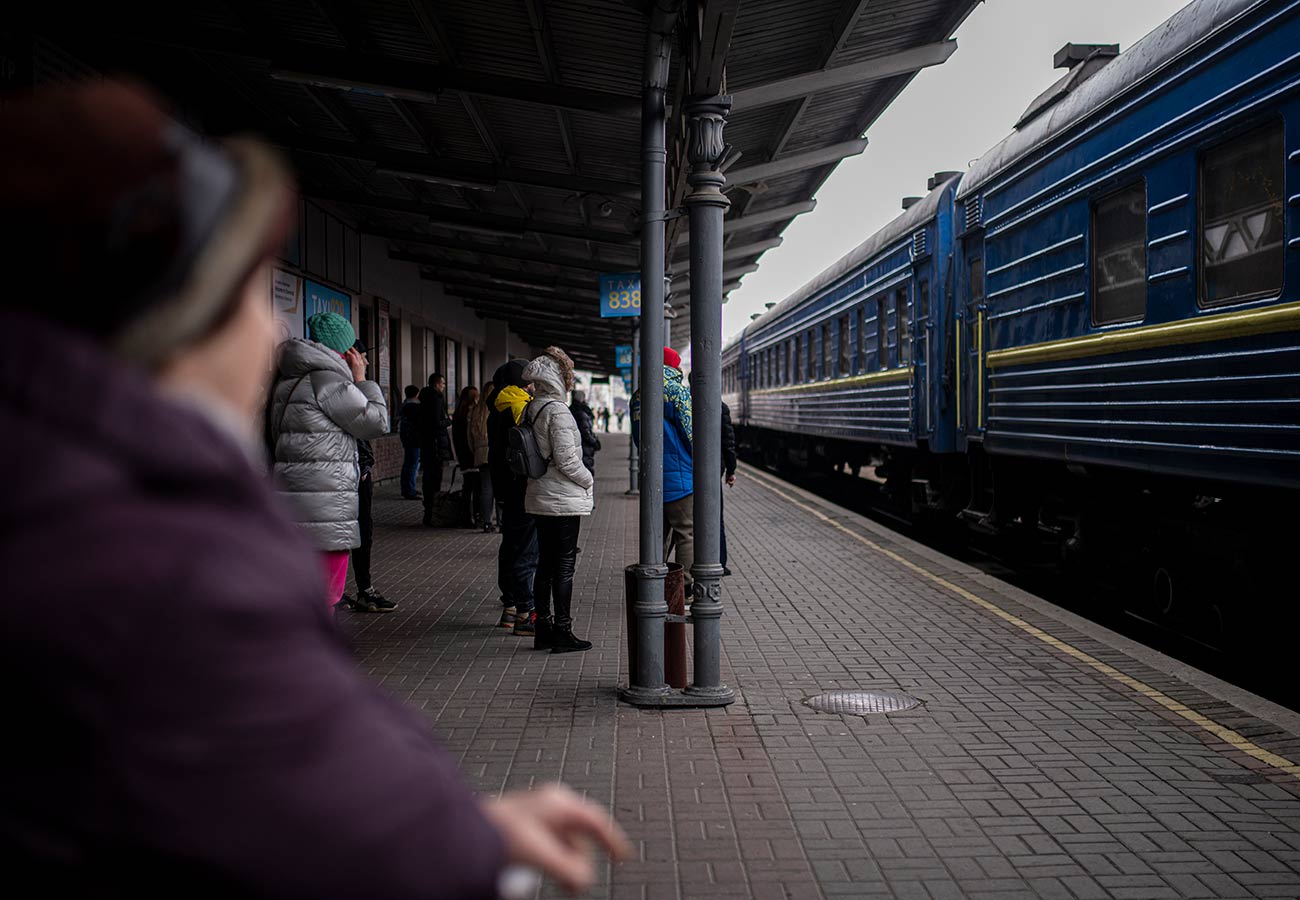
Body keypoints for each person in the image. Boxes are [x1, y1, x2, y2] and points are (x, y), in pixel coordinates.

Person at [1, 81, 626, 897]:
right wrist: (471, 844)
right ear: (177, 317)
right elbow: (342, 818)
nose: (267, 329)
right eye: (244, 295)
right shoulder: (154, 565)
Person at [271, 311, 389, 609]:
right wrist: (362, 380)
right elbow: (376, 422)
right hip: (326, 503)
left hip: (293, 496)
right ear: (346, 351)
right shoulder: (328, 381)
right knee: (325, 594)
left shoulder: (288, 380)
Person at [523, 348, 595, 653]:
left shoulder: (534, 407)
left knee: (545, 565)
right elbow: (566, 459)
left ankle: (543, 628)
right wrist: (589, 479)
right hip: (562, 498)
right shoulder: (558, 411)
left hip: (541, 495)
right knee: (564, 566)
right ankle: (563, 631)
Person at [631, 347, 694, 592]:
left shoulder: (638, 395)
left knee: (658, 535)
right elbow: (691, 434)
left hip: (651, 475)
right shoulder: (677, 391)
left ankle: (653, 585)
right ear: (674, 367)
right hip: (680, 476)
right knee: (686, 532)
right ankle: (685, 588)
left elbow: (638, 437)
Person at [341, 341, 397, 614]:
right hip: (345, 477)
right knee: (346, 535)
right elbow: (377, 422)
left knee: (360, 533)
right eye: (362, 357)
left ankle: (356, 590)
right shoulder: (339, 387)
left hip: (351, 473)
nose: (365, 362)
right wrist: (361, 380)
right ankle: (342, 593)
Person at [488, 360, 538, 635]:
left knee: (510, 545)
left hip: (504, 485)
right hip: (522, 486)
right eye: (529, 381)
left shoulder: (496, 406)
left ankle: (509, 606)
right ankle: (525, 611)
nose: (533, 386)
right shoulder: (519, 407)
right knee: (526, 549)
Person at [417, 372, 452, 527]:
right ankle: (433, 512)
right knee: (435, 478)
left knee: (428, 478)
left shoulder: (423, 399)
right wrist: (448, 421)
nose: (444, 387)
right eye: (443, 384)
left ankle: (428, 510)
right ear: (437, 384)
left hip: (426, 442)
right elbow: (437, 422)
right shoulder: (436, 399)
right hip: (436, 443)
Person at [469, 380, 496, 533]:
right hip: (495, 451)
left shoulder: (476, 411)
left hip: (480, 453)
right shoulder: (497, 408)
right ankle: (501, 521)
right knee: (499, 487)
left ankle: (486, 522)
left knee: (486, 488)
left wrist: (476, 450)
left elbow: (469, 435)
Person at [452, 384, 480, 527]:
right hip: (471, 455)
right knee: (475, 487)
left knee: (467, 486)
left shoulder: (458, 414)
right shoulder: (471, 414)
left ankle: (466, 515)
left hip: (463, 455)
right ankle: (473, 516)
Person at [721, 399, 738, 577]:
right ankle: (719, 562)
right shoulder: (720, 407)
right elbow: (728, 441)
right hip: (713, 471)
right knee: (715, 518)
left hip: (687, 471)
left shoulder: (687, 401)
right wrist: (731, 470)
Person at [398, 384, 422, 500]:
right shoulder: (414, 407)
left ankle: (407, 488)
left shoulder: (405, 405)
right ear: (417, 394)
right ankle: (410, 490)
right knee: (412, 465)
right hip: (414, 440)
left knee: (408, 464)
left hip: (407, 439)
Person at [569, 389, 601, 473]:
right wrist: (594, 442)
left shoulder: (570, 410)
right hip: (584, 445)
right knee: (586, 469)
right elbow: (585, 431)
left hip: (575, 443)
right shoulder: (582, 412)